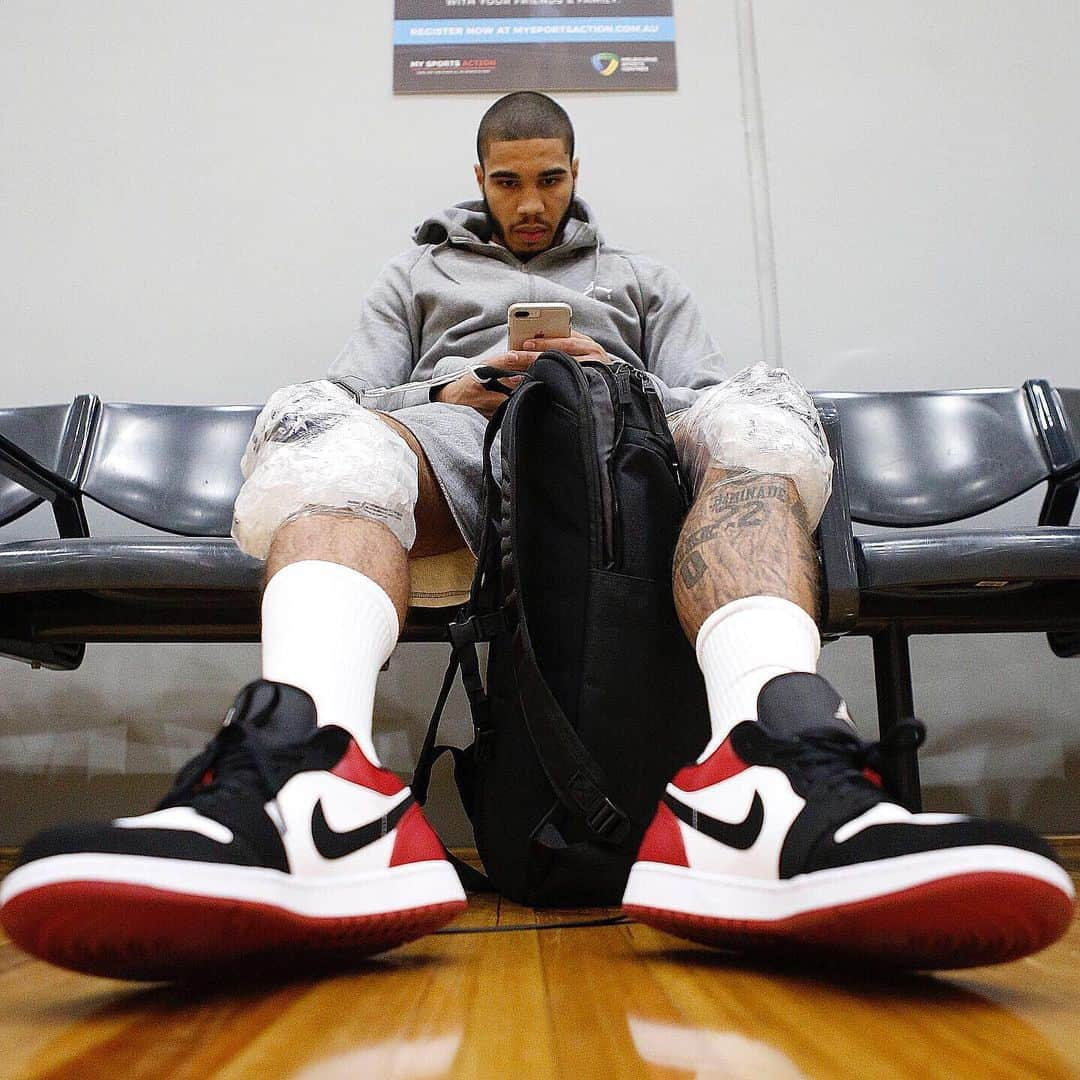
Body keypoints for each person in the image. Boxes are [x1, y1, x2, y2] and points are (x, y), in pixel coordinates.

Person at [1, 93, 1072, 980]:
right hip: (458, 434)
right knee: (326, 436)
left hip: (625, 444)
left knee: (757, 412)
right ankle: (314, 781)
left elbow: (696, 391)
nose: (529, 201)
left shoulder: (642, 278)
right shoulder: (414, 276)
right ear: (479, 178)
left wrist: (614, 380)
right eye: (507, 181)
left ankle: (764, 774)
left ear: (574, 171)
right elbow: (349, 391)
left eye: (549, 179)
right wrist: (455, 386)